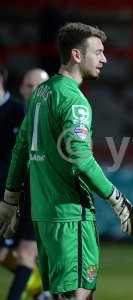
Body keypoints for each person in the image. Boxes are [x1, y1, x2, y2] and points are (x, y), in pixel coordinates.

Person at [0, 22, 133, 300]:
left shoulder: (41, 92)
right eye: (98, 52)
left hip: (44, 213)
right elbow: (79, 157)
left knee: (61, 294)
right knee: (80, 295)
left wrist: (9, 199)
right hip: (70, 214)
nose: (104, 59)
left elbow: (21, 148)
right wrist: (116, 198)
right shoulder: (73, 99)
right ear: (77, 55)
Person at [0, 68, 49, 300]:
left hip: (38, 194)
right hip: (10, 194)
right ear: (21, 89)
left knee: (28, 252)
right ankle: (41, 290)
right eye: (29, 86)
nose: (34, 91)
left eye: (39, 86)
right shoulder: (20, 114)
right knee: (8, 253)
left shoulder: (55, 117)